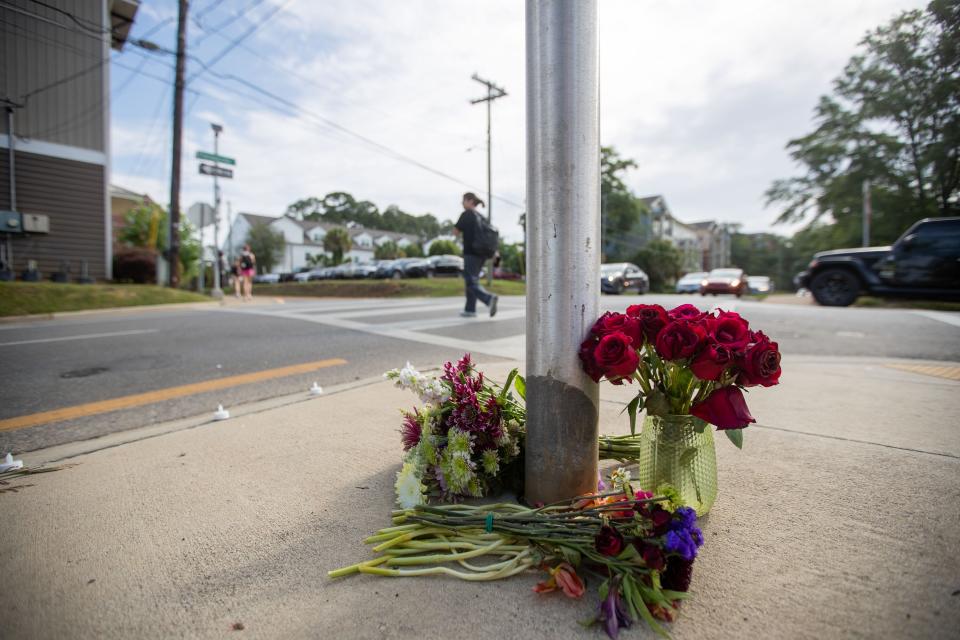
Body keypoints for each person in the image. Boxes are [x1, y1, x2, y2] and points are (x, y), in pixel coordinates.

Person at [453, 192, 498, 318]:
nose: (462, 203)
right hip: (483, 254)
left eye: (463, 200)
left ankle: (488, 299)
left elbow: (455, 231)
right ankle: (470, 309)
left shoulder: (467, 214)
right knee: (473, 280)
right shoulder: (481, 217)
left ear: (470, 201)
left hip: (471, 253)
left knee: (470, 280)